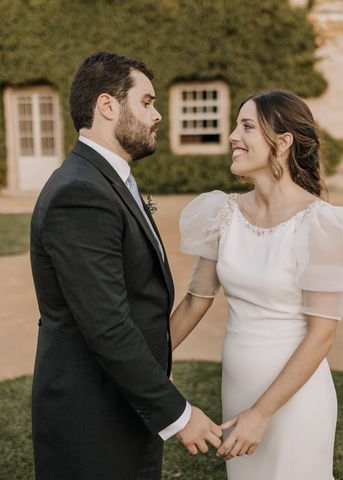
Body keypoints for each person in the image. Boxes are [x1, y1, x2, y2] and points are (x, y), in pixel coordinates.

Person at [30, 52, 222, 480]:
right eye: (148, 102)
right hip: (92, 420)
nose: (158, 115)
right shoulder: (80, 193)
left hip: (120, 403)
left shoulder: (105, 180)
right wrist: (178, 413)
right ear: (107, 106)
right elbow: (106, 324)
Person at [171, 90, 343, 479]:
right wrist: (148, 361)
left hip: (296, 399)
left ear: (282, 143)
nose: (232, 136)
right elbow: (196, 302)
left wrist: (261, 414)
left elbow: (321, 336)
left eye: (246, 126)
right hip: (238, 389)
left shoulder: (322, 224)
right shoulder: (222, 213)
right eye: (236, 125)